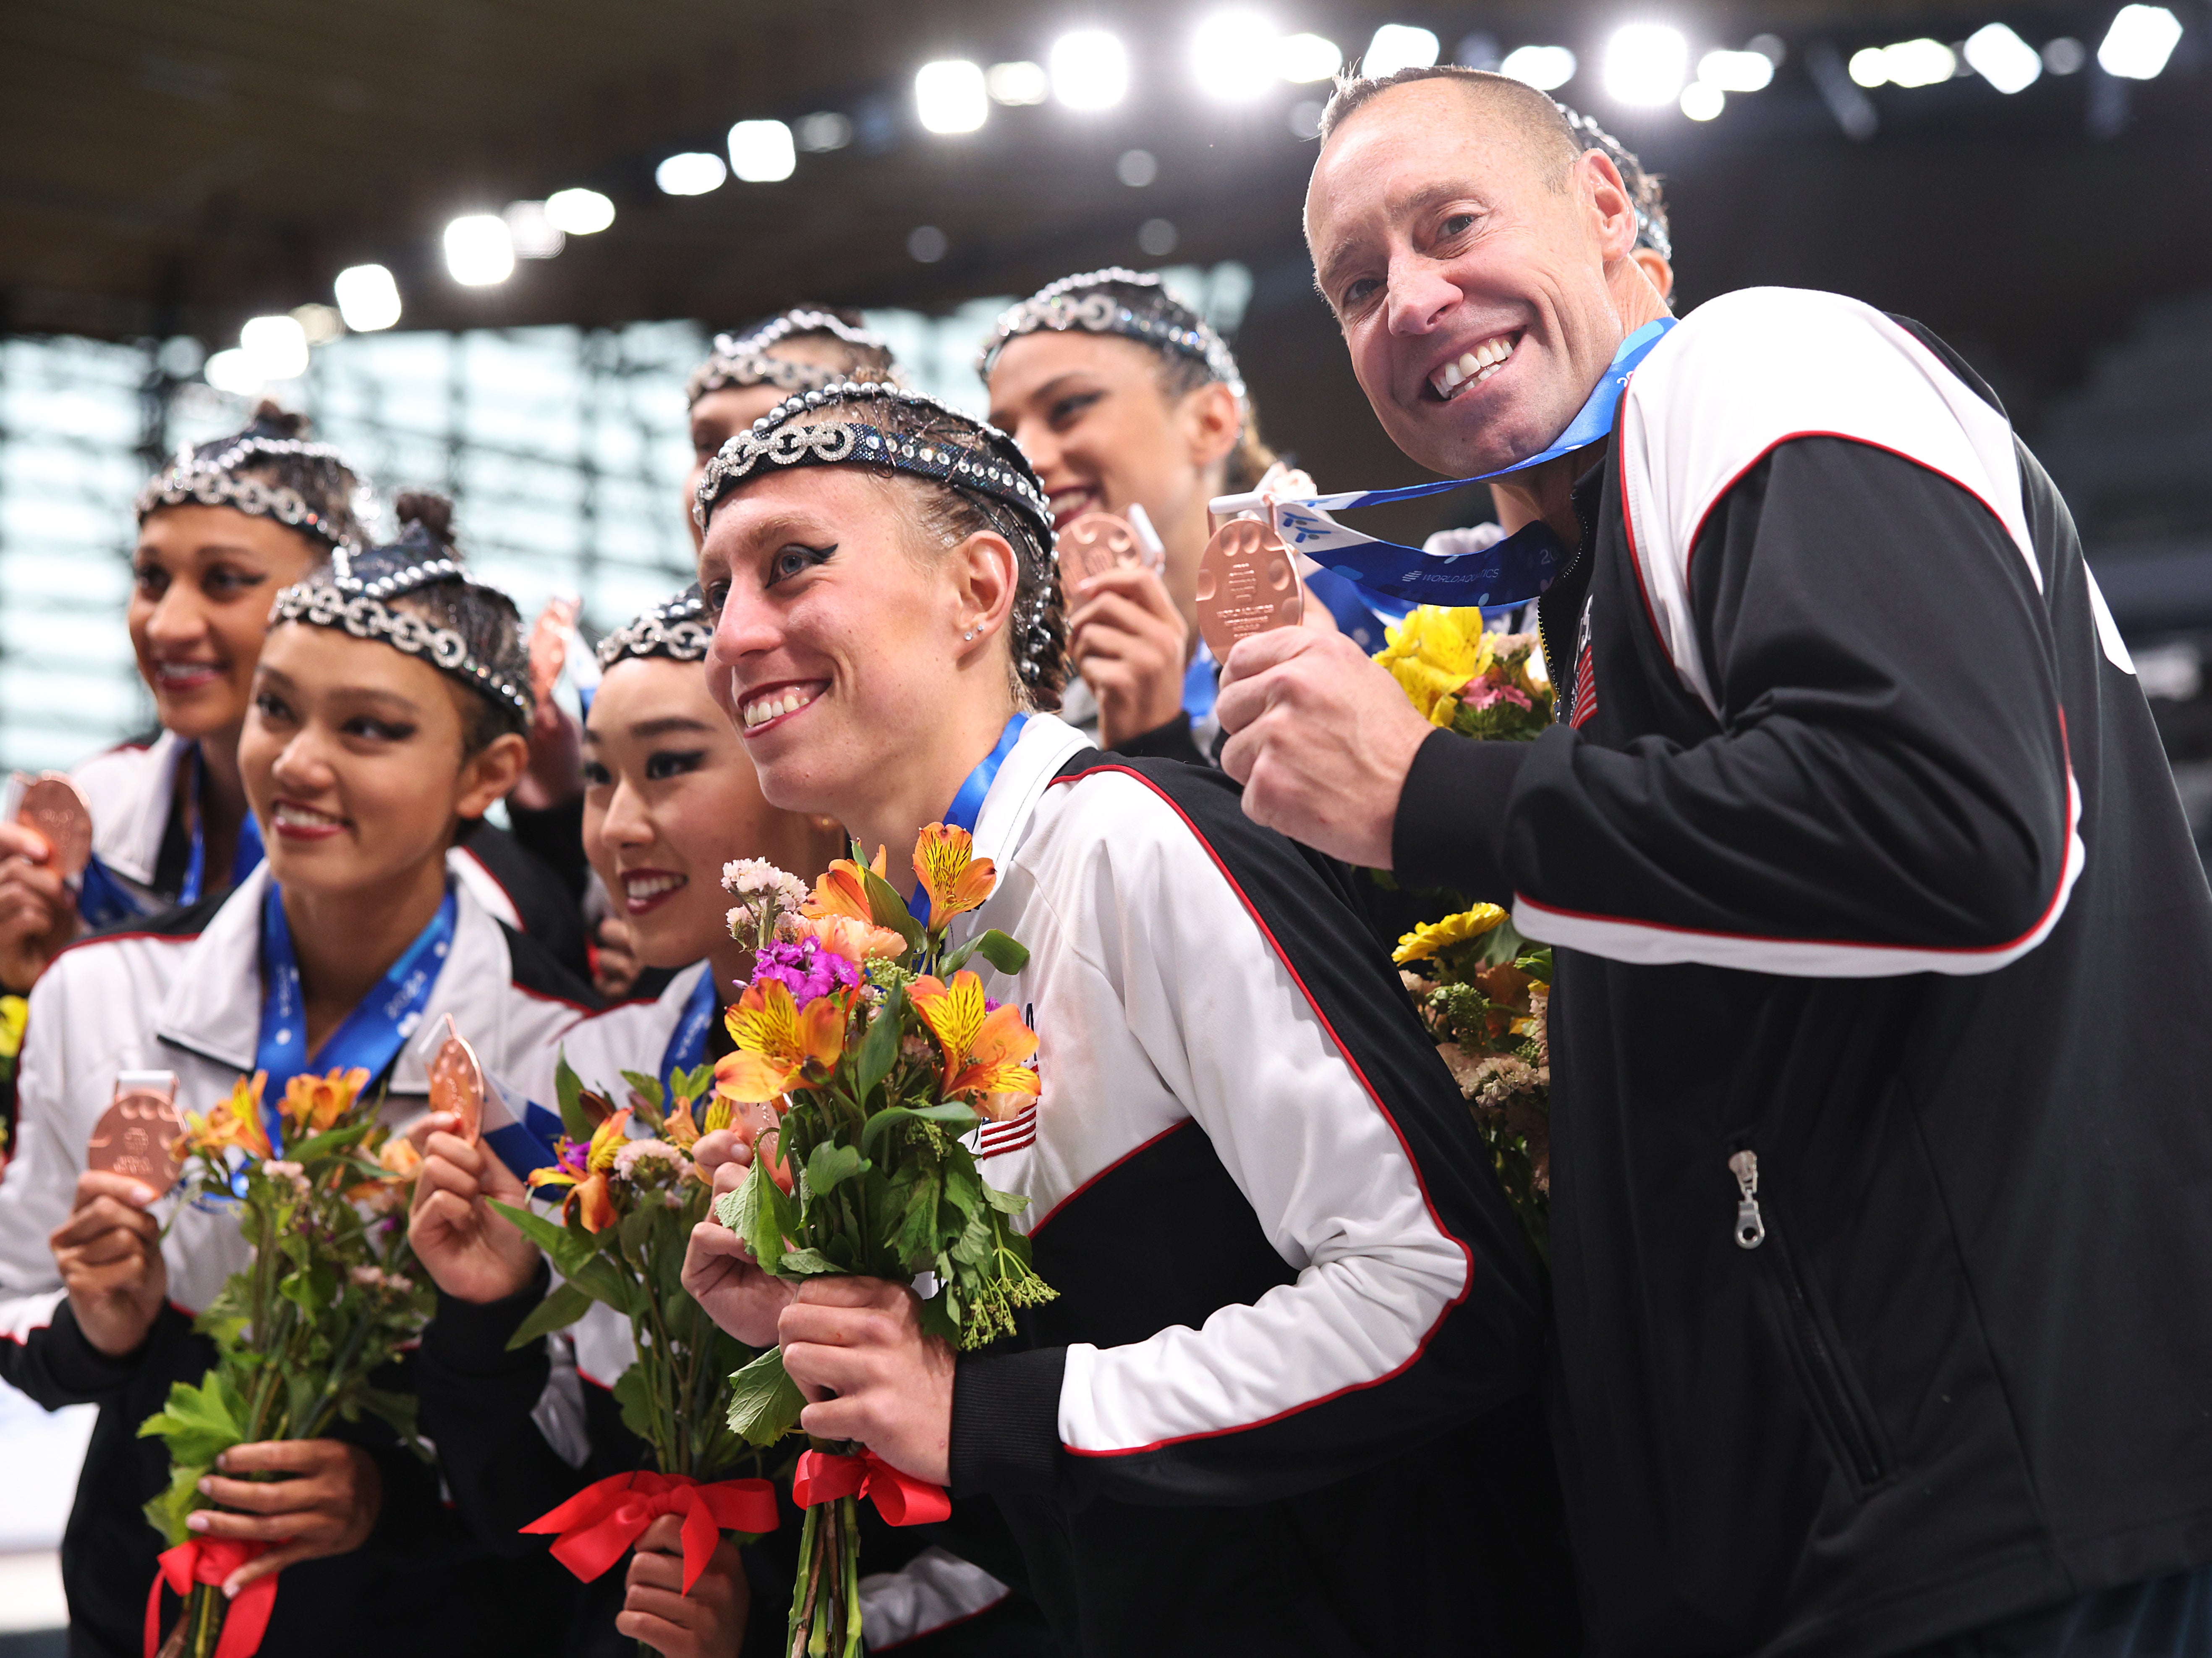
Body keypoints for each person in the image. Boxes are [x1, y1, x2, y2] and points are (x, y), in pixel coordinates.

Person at [1218, 63, 2212, 1657]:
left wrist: (1436, 800)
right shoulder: (1606, 552)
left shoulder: (1761, 364)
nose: (1412, 298)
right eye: (1354, 283)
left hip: (1996, 1528)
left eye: (1452, 223)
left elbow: (1951, 834)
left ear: (1610, 215)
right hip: (1886, 1538)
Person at [676, 380, 1576, 1654]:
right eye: (715, 590)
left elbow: (1439, 1290)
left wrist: (992, 1413)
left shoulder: (1126, 843)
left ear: (977, 593)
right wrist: (829, 1311)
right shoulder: (891, 966)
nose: (731, 634)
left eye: (790, 566)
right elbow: (1066, 1377)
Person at [0, 495, 598, 1658]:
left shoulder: (561, 1050)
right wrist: (100, 1329)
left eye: (369, 729)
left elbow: (587, 1418)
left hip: (437, 1621)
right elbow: (16, 1293)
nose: (298, 762)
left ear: (491, 771)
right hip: (141, 1605)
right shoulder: (101, 990)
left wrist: (394, 1492)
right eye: (277, 708)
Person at [408, 587, 1046, 1655]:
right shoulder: (595, 1066)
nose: (614, 826)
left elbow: (1010, 1516)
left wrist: (763, 1632)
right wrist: (488, 1315)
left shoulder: (931, 1065)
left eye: (667, 765)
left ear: (806, 772)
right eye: (600, 774)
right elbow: (524, 1505)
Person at [0, 404, 592, 1008]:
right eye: (151, 577)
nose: (169, 625)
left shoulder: (499, 903)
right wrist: (27, 988)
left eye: (226, 579)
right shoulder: (89, 814)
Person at [982, 269, 1355, 758]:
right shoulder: (1040, 708)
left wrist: (1151, 743)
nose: (1025, 458)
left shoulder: (1367, 628)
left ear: (1209, 422)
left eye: (1069, 407)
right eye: (1006, 435)